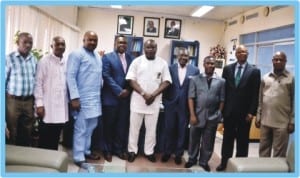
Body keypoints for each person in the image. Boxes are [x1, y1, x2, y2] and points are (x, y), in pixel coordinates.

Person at [126, 39, 172, 163]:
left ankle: (149, 152)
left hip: (154, 103)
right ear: (144, 48)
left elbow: (166, 81)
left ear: (156, 49)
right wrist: (144, 94)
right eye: (148, 47)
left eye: (153, 47)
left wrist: (153, 95)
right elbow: (131, 80)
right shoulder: (137, 61)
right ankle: (132, 151)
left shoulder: (162, 63)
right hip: (137, 101)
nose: (150, 50)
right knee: (134, 128)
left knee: (151, 130)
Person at [216, 45, 261, 171]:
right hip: (229, 111)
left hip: (245, 113)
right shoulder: (227, 69)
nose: (243, 54)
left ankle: (240, 164)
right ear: (236, 54)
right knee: (227, 139)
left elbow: (255, 93)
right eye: (240, 52)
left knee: (242, 140)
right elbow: (223, 91)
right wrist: (222, 110)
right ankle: (224, 162)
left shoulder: (254, 71)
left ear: (248, 54)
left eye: (245, 52)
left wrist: (252, 112)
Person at [66, 31, 102, 167]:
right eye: (90, 40)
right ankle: (78, 156)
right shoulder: (76, 54)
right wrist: (74, 98)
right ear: (84, 40)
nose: (92, 42)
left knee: (92, 127)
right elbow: (70, 76)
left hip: (95, 99)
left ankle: (86, 150)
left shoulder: (97, 56)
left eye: (95, 40)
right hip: (81, 99)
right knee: (81, 128)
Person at [184, 56, 225, 172]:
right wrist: (192, 115)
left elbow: (222, 99)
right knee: (193, 139)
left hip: (212, 117)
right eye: (208, 63)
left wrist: (219, 114)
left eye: (212, 64)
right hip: (196, 115)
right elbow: (190, 97)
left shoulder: (221, 81)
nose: (210, 65)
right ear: (204, 64)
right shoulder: (195, 79)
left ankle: (203, 161)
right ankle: (192, 159)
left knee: (208, 141)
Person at [161, 47, 199, 165]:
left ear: (189, 57)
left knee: (182, 130)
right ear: (177, 56)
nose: (183, 58)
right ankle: (167, 152)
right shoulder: (170, 68)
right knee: (169, 129)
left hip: (185, 105)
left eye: (186, 56)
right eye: (181, 56)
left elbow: (195, 89)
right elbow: (165, 84)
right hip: (171, 104)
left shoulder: (195, 70)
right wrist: (165, 101)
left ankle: (178, 154)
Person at [101, 35, 134, 162]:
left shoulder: (131, 58)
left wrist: (128, 91)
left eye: (125, 43)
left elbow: (133, 77)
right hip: (111, 98)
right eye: (120, 42)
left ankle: (118, 149)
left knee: (121, 126)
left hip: (125, 100)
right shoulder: (107, 57)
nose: (123, 44)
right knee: (108, 126)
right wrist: (119, 91)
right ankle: (107, 150)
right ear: (115, 43)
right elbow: (106, 75)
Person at [255, 51, 294, 157]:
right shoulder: (265, 77)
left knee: (279, 154)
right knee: (263, 151)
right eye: (276, 59)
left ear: (285, 61)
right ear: (272, 61)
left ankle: (276, 173)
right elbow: (260, 98)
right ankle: (264, 172)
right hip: (265, 121)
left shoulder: (292, 78)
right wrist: (258, 116)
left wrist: (292, 121)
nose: (278, 61)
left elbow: (295, 101)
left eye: (281, 59)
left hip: (282, 124)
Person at [34, 36, 68, 150]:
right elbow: (38, 83)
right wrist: (39, 104)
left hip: (60, 108)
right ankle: (42, 164)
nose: (60, 47)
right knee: (44, 138)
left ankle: (52, 163)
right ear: (51, 46)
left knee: (55, 138)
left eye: (62, 44)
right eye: (57, 44)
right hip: (47, 107)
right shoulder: (44, 61)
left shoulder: (65, 62)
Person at [5, 32, 37, 146]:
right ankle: (9, 160)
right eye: (25, 42)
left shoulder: (33, 59)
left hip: (28, 101)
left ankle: (23, 159)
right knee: (11, 131)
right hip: (13, 102)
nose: (28, 45)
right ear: (18, 43)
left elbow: (35, 81)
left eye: (30, 43)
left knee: (27, 132)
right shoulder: (9, 59)